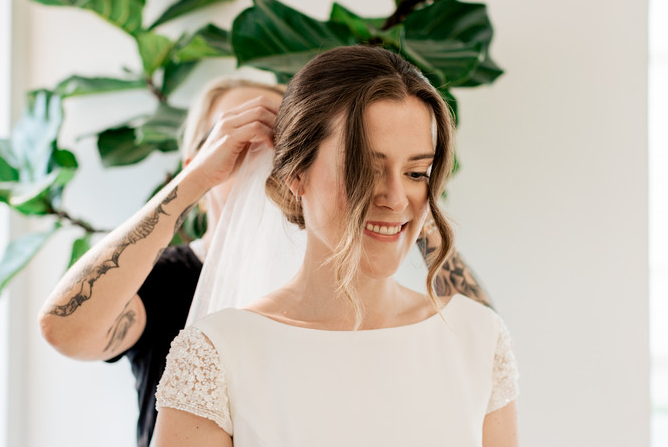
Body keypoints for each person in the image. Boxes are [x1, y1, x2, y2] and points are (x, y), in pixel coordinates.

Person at [38, 75, 493, 446]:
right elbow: (65, 329)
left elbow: (478, 351)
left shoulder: (347, 277)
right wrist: (195, 178)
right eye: (236, 137)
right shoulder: (168, 280)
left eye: (277, 136)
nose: (261, 153)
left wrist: (404, 198)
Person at [152, 45, 519, 447]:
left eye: (416, 172)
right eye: (364, 169)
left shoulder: (479, 338)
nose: (396, 199)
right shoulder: (216, 356)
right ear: (297, 174)